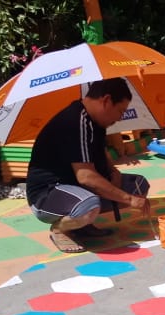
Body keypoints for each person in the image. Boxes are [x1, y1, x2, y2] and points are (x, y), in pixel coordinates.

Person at [26, 78, 152, 253]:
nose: (119, 118)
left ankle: (81, 225)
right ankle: (60, 229)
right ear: (107, 100)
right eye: (120, 111)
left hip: (74, 187)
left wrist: (112, 170)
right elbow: (85, 177)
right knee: (89, 206)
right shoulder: (75, 121)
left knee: (138, 186)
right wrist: (128, 199)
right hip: (47, 194)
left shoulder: (95, 122)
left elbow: (99, 152)